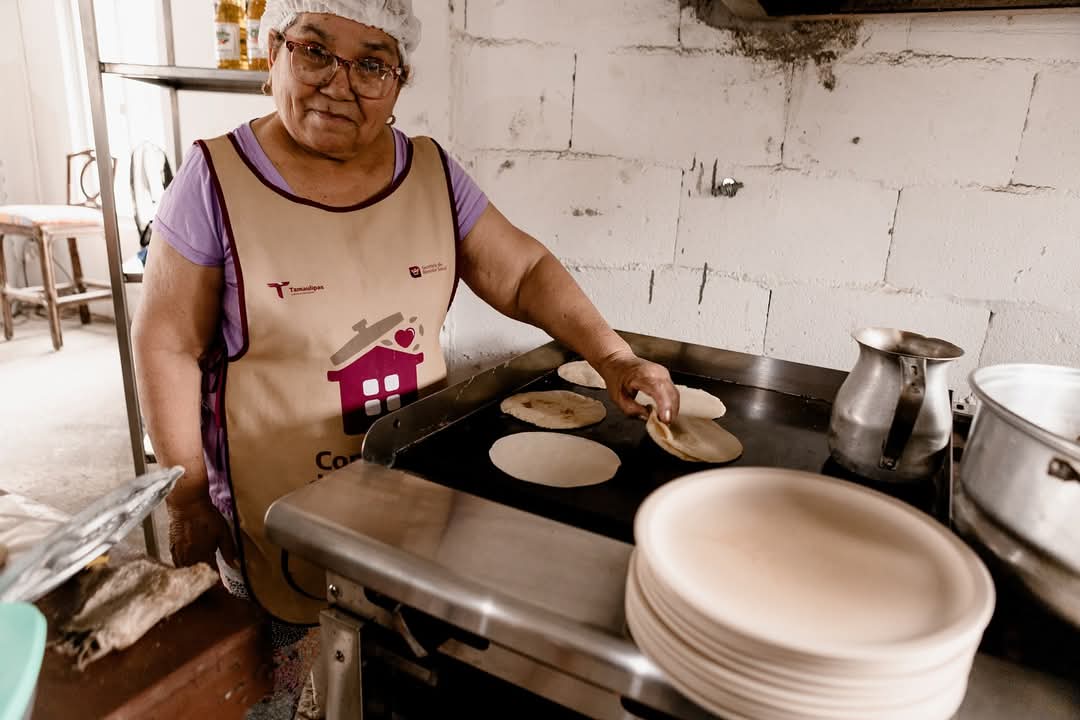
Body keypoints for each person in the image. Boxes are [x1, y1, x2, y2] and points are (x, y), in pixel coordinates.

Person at [133, 0, 679, 712]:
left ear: (399, 81)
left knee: (395, 681)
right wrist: (186, 497)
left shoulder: (430, 173)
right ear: (273, 52)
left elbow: (521, 272)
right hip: (275, 515)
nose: (339, 84)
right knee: (290, 690)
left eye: (371, 65)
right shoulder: (215, 179)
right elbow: (167, 342)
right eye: (315, 51)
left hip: (407, 501)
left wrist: (612, 357)